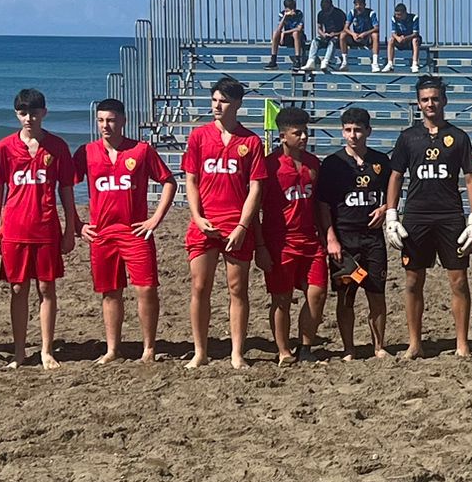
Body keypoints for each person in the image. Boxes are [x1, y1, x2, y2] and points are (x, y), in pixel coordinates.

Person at [385, 75, 472, 359]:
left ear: (444, 101)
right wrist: (391, 213)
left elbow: (471, 178)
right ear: (418, 102)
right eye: (425, 99)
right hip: (416, 217)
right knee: (413, 281)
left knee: (459, 280)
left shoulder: (459, 137)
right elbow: (396, 176)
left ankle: (462, 343)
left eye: (435, 98)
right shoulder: (408, 137)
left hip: (450, 216)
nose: (430, 104)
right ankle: (415, 343)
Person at [79, 97, 175, 364]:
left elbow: (169, 182)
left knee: (146, 289)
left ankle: (148, 348)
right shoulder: (87, 152)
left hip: (135, 232)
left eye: (110, 120)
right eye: (100, 120)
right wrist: (78, 225)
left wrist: (155, 219)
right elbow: (64, 184)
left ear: (123, 120)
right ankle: (112, 349)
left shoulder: (141, 150)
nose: (105, 126)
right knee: (110, 292)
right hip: (102, 234)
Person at [0, 87, 79, 370]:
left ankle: (46, 350)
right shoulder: (5, 147)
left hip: (46, 226)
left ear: (44, 113)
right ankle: (19, 351)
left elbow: (66, 189)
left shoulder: (57, 146)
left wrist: (69, 228)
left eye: (34, 112)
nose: (28, 118)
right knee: (18, 289)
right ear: (17, 114)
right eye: (23, 112)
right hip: (15, 227)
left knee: (46, 288)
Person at [181, 76, 266, 369]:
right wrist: (197, 217)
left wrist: (243, 226)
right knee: (200, 286)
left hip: (235, 225)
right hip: (204, 223)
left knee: (237, 288)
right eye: (215, 100)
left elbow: (255, 188)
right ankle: (200, 351)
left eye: (224, 100)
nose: (217, 105)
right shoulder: (199, 136)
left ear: (238, 104)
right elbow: (190, 180)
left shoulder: (251, 141)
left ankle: (237, 352)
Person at [316, 104, 393, 358]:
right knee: (346, 295)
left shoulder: (381, 161)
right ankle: (348, 348)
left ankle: (379, 346)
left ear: (368, 131)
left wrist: (385, 208)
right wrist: (331, 239)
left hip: (373, 239)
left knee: (376, 293)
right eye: (348, 130)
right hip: (344, 239)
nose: (353, 135)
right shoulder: (333, 163)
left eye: (358, 130)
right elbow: (323, 204)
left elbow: (393, 193)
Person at [257, 106, 328, 364]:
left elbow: (319, 202)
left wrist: (325, 234)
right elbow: (255, 209)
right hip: (280, 241)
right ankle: (284, 349)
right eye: (298, 133)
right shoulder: (269, 166)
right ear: (283, 136)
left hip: (310, 240)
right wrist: (260, 246)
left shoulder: (313, 163)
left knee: (317, 293)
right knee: (282, 297)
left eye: (306, 132)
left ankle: (306, 346)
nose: (304, 137)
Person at [341, 0, 381, 72]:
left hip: (366, 38)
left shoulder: (371, 13)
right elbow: (345, 28)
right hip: (355, 37)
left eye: (360, 5)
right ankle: (344, 62)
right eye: (356, 5)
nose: (358, 7)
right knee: (343, 35)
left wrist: (365, 33)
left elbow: (376, 28)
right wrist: (353, 34)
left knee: (375, 35)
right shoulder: (352, 12)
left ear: (364, 5)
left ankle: (375, 63)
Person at [268, 0, 307, 69]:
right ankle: (273, 60)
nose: (293, 10)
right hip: (287, 37)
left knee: (295, 33)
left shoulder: (299, 13)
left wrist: (284, 33)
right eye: (291, 9)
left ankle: (297, 59)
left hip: (298, 37)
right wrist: (285, 16)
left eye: (294, 8)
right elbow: (279, 29)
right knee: (275, 33)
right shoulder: (282, 14)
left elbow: (299, 29)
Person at [311, 0, 347, 70]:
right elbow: (319, 28)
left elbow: (346, 29)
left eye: (327, 10)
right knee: (315, 40)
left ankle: (326, 60)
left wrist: (336, 34)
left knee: (332, 41)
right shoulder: (320, 14)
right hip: (326, 35)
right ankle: (311, 60)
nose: (326, 12)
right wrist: (323, 34)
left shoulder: (340, 13)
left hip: (338, 36)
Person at [387, 3, 423, 73]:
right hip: (400, 39)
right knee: (390, 40)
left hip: (410, 39)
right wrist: (398, 38)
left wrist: (405, 38)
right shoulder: (394, 18)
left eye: (399, 15)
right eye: (396, 14)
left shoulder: (414, 18)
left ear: (405, 13)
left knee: (415, 40)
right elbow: (393, 33)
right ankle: (390, 64)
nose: (397, 16)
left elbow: (415, 33)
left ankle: (415, 64)